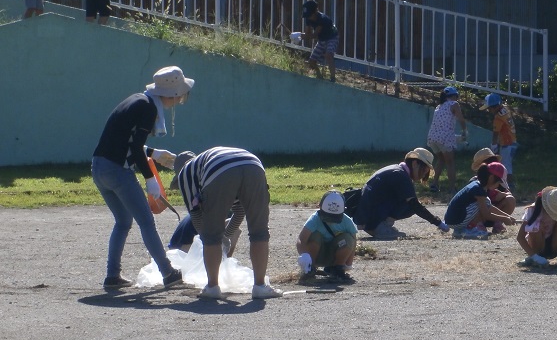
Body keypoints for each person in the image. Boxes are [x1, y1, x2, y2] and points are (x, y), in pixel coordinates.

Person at [91, 66, 193, 290]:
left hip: (99, 168)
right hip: (117, 170)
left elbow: (125, 141)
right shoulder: (148, 108)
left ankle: (112, 275)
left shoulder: (138, 100)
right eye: (178, 95)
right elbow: (135, 147)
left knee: (123, 222)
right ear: (171, 93)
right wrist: (150, 179)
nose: (179, 100)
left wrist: (154, 154)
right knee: (146, 222)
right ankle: (168, 273)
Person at [172, 147, 283, 299]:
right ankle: (260, 286)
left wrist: (211, 241)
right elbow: (240, 211)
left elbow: (196, 216)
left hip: (221, 171)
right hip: (254, 165)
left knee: (211, 235)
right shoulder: (204, 162)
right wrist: (226, 238)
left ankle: (212, 287)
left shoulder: (185, 174)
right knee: (259, 231)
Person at [354, 148, 450, 239]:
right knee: (410, 206)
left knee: (409, 202)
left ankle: (377, 226)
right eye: (424, 170)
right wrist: (439, 223)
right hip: (370, 217)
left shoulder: (396, 170)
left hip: (364, 215)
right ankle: (379, 228)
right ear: (415, 164)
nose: (424, 175)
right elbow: (415, 205)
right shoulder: (401, 176)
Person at [296, 190, 357, 286]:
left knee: (347, 239)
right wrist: (304, 255)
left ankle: (337, 269)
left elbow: (353, 241)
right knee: (315, 236)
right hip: (316, 256)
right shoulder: (314, 219)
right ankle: (310, 268)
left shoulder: (347, 221)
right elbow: (301, 239)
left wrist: (348, 263)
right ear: (319, 207)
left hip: (334, 256)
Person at [444, 162, 517, 239]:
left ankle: (460, 230)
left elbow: (490, 207)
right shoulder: (478, 190)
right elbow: (486, 214)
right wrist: (504, 219)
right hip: (456, 220)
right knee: (482, 205)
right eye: (499, 183)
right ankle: (468, 229)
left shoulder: (479, 186)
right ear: (491, 178)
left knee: (486, 202)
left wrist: (508, 217)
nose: (498, 186)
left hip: (453, 219)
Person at [517, 186, 557, 267]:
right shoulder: (533, 210)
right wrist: (534, 257)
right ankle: (534, 258)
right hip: (538, 247)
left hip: (556, 246)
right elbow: (520, 237)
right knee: (537, 227)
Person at [427, 86, 468, 192]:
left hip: (432, 137)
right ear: (454, 96)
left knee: (441, 159)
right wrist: (464, 131)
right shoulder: (454, 104)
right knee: (450, 162)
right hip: (445, 138)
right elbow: (461, 119)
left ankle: (434, 184)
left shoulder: (439, 106)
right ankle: (451, 188)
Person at [470, 147, 516, 231]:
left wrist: (502, 195)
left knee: (510, 199)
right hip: (481, 213)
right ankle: (478, 224)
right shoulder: (475, 182)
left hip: (494, 213)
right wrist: (493, 196)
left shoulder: (498, 178)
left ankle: (497, 223)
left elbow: (507, 192)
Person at [480, 93, 518, 190]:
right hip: (513, 142)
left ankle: (510, 185)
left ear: (495, 106)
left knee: (506, 165)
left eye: (489, 108)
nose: (489, 110)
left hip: (507, 144)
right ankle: (505, 184)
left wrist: (493, 146)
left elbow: (495, 133)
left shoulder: (498, 117)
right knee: (506, 163)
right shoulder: (505, 110)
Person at [300, 0, 340, 82]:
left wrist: (303, 36)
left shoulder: (322, 19)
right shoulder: (308, 18)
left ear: (315, 12)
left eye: (310, 15)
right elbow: (308, 33)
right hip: (322, 39)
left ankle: (333, 79)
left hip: (332, 37)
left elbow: (314, 35)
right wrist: (299, 36)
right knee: (312, 61)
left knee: (328, 55)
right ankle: (319, 77)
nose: (308, 17)